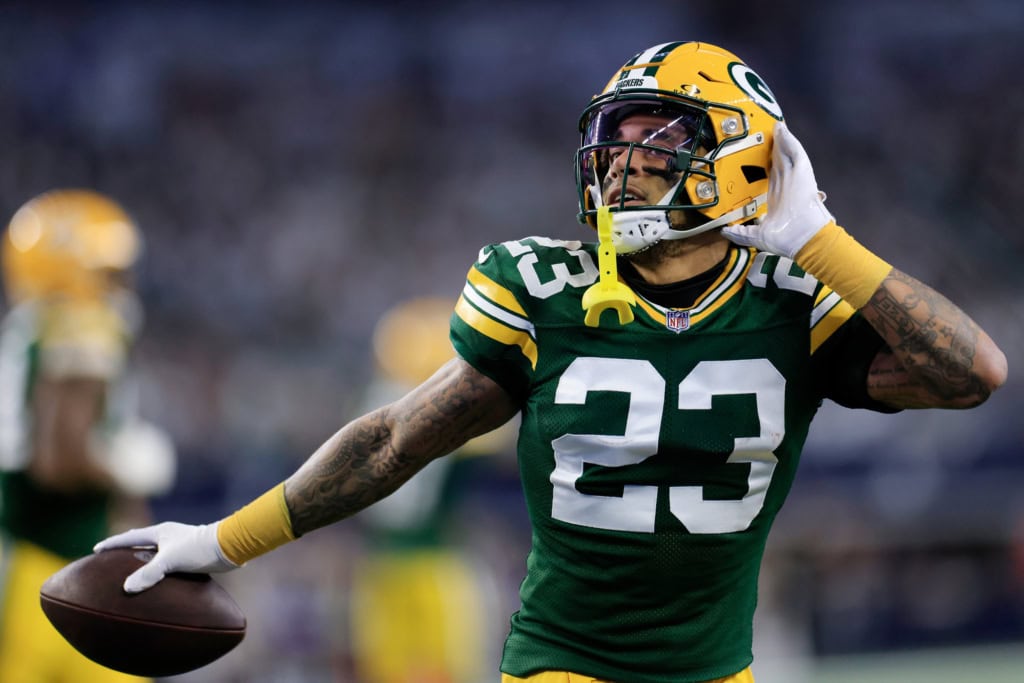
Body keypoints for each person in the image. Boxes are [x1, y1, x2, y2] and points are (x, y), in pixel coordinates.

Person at [95, 41, 1007, 683]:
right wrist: (219, 541)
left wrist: (817, 237)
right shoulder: (544, 290)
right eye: (619, 137)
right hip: (561, 668)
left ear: (740, 160)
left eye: (661, 138)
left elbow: (973, 372)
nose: (622, 162)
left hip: (720, 671)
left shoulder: (793, 300)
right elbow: (392, 443)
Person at [0, 189, 176, 683]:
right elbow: (58, 463)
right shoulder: (81, 329)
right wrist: (126, 464)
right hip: (55, 562)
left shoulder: (32, 330)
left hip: (32, 560)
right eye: (109, 271)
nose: (123, 284)